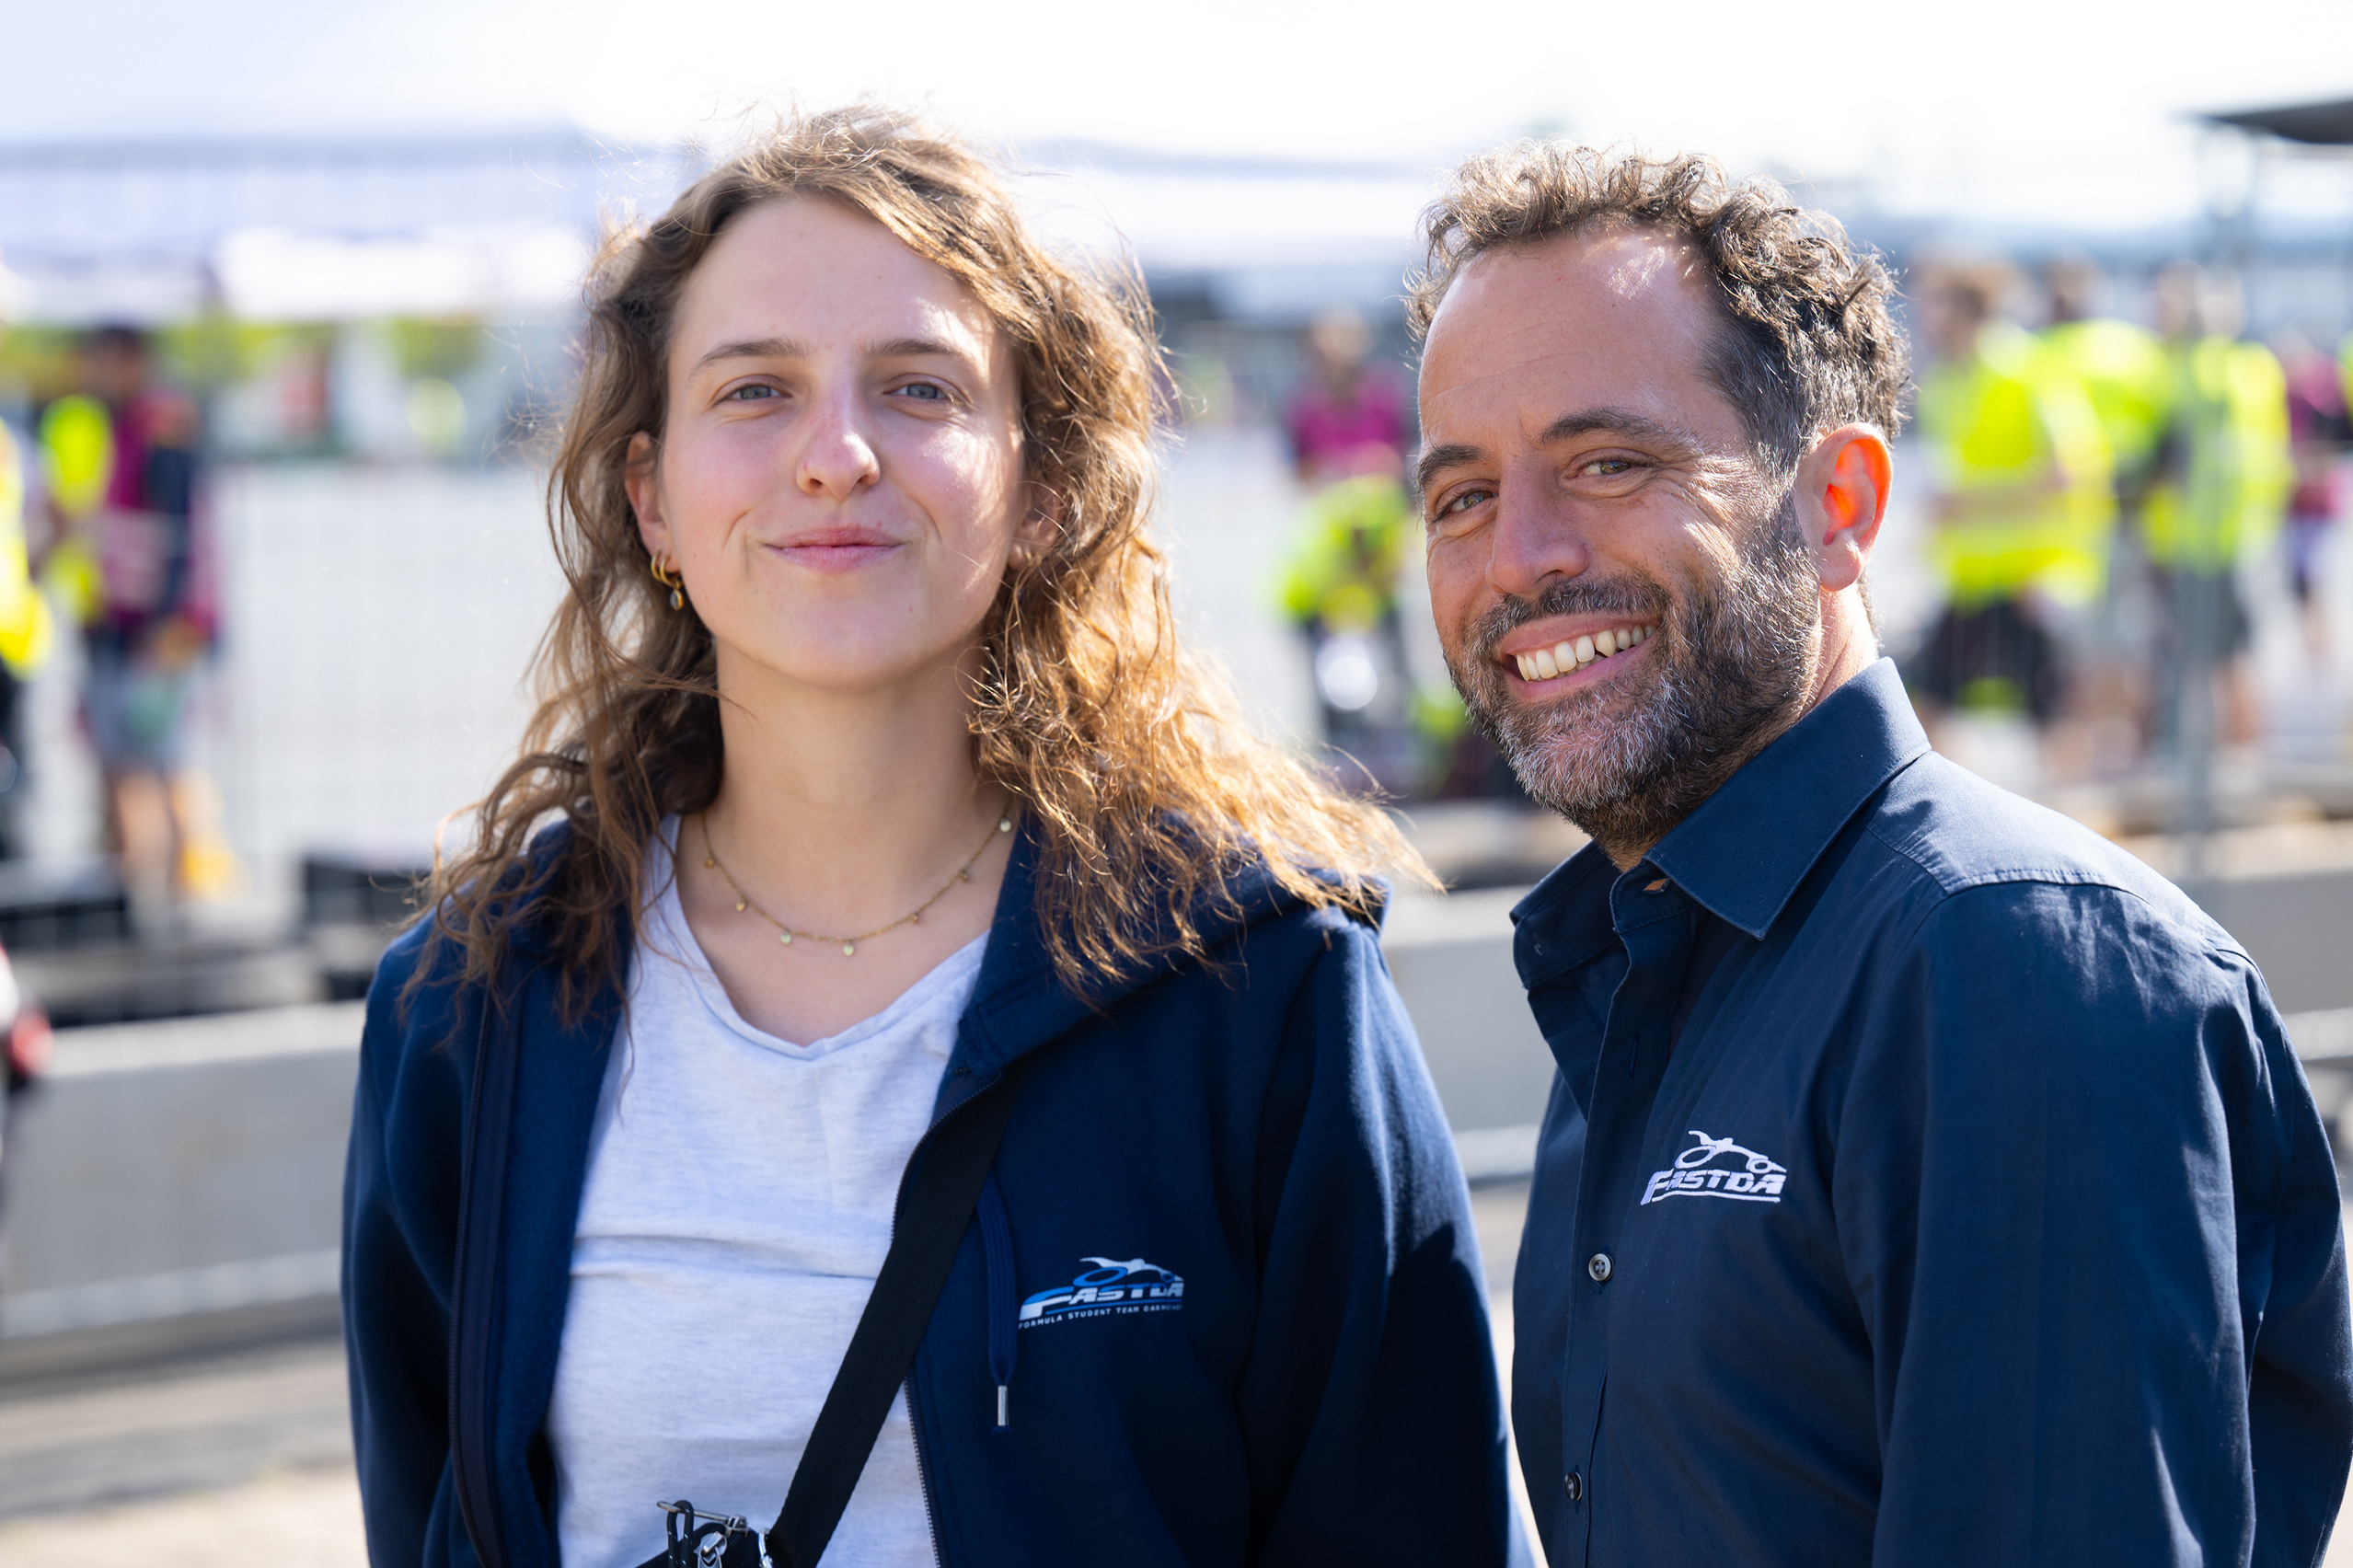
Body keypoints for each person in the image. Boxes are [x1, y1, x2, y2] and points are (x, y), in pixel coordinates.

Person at [343, 109, 1518, 1568]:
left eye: (918, 389)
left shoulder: (1260, 991)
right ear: (652, 499)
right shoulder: (472, 1009)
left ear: (1039, 490)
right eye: (755, 390)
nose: (836, 455)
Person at [1407, 142, 2352, 1566]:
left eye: (1608, 463)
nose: (1518, 555)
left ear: (1836, 506)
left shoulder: (2009, 968)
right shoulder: (1645, 962)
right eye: (1461, 496)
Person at [36, 326, 221, 899]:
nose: (95, 373)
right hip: (118, 623)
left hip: (154, 630)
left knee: (154, 764)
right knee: (127, 761)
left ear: (133, 362)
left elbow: (180, 540)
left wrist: (171, 628)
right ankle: (140, 888)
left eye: (106, 362)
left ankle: (171, 888)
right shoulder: (119, 428)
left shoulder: (160, 431)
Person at [1907, 262, 2112, 757]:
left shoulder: (2023, 368)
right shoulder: (1943, 381)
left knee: (2055, 716)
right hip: (1970, 578)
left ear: (1964, 307)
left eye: (1933, 302)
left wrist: (1972, 505)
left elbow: (2070, 473)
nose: (1922, 315)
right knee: (1924, 709)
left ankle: (2071, 806)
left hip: (2026, 579)